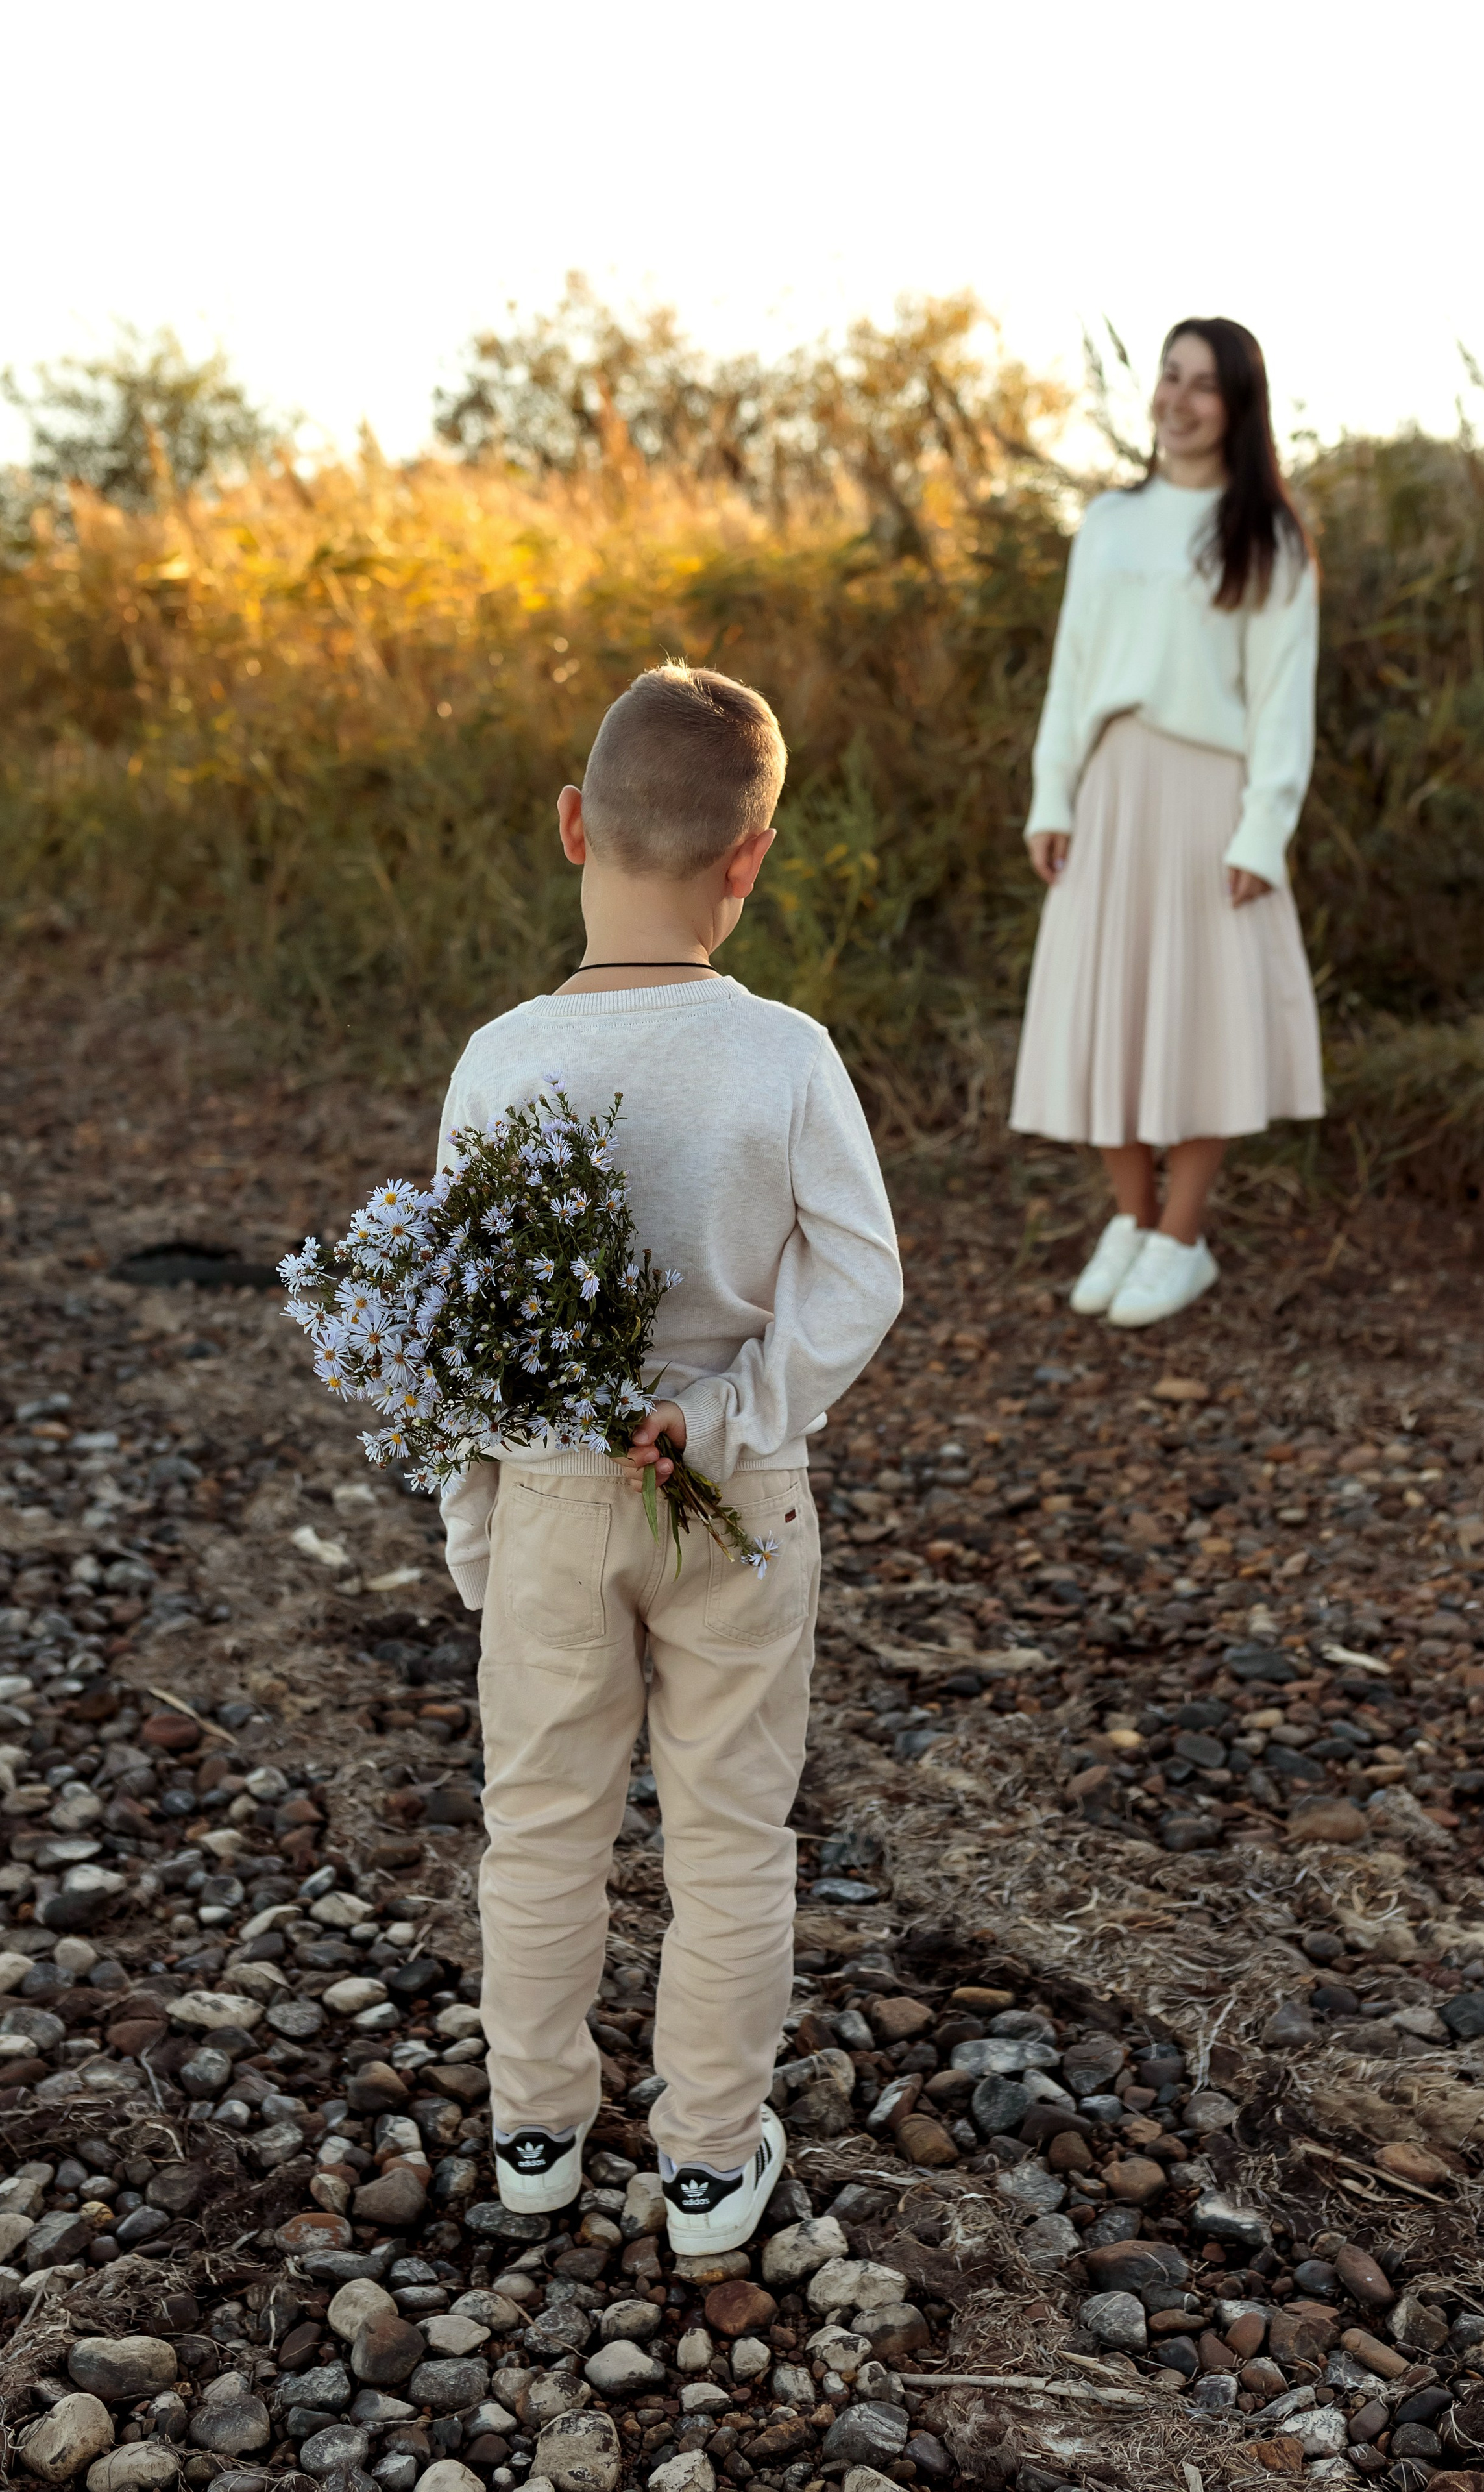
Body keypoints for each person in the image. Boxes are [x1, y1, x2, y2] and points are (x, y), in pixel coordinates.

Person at [436, 663, 903, 2253]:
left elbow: (457, 1326)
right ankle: (704, 2164)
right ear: (748, 856)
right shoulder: (784, 1053)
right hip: (734, 1497)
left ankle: (533, 2136)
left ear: (574, 824)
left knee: (541, 1828)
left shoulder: (500, 1058)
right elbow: (859, 1280)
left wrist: (478, 1518)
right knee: (728, 1838)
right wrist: (725, 1415)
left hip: (553, 1496)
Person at [1009, 316, 1324, 1327]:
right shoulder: (1109, 522)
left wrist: (1263, 830)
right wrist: (1053, 792)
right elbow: (1072, 671)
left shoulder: (1268, 536)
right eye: (1169, 376)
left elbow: (1283, 703)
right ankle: (1133, 1220)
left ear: (1237, 407)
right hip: (1110, 788)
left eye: (1203, 386)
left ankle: (1182, 1238)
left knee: (1198, 1015)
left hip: (1209, 796)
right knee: (1111, 1002)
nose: (1177, 401)